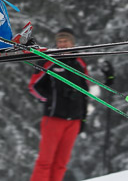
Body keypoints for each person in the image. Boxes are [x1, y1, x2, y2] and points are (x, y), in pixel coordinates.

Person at [28, 28, 88, 181]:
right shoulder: (48, 61)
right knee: (45, 161)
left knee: (61, 163)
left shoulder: (80, 63)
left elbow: (85, 90)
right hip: (53, 119)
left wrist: (83, 118)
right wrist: (51, 99)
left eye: (65, 41)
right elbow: (34, 87)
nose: (62, 44)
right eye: (60, 41)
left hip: (74, 120)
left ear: (72, 43)